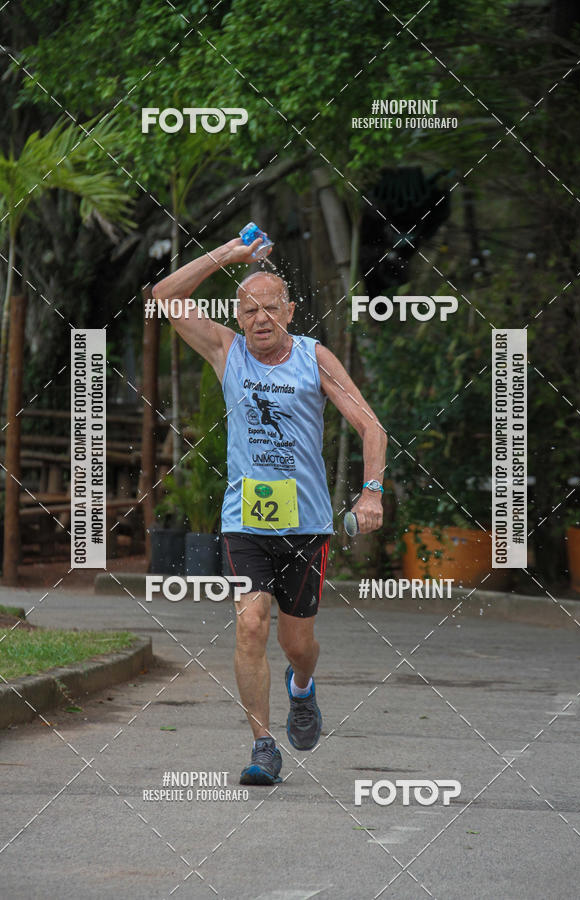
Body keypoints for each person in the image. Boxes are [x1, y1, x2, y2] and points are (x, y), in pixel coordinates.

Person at [151, 233, 387, 785]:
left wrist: (371, 490)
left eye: (271, 308)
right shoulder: (226, 351)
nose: (260, 318)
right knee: (250, 625)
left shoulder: (313, 358)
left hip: (306, 527)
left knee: (296, 645)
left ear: (291, 311)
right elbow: (164, 295)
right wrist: (230, 254)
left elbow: (370, 425)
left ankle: (301, 687)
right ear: (238, 315)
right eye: (249, 309)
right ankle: (262, 744)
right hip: (246, 523)